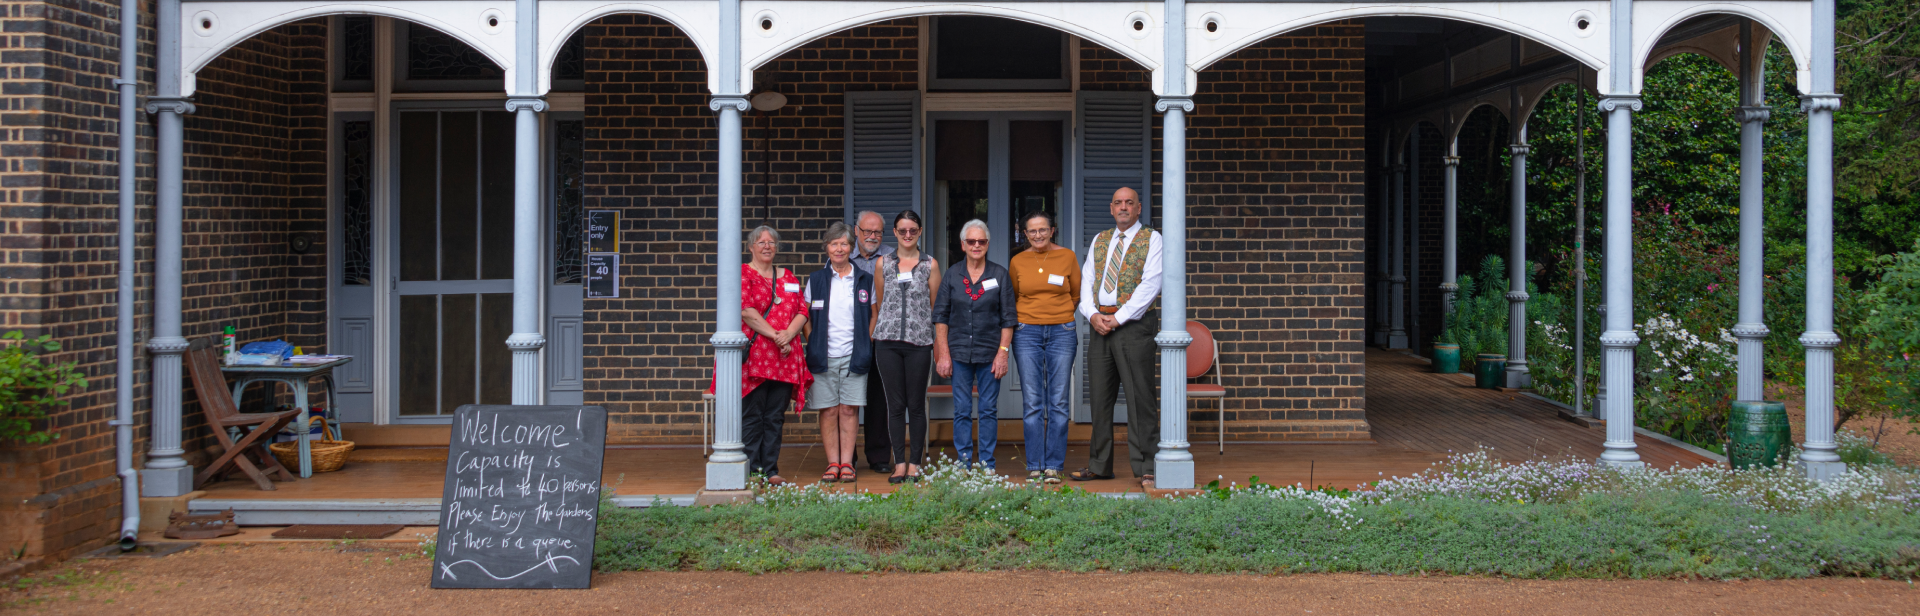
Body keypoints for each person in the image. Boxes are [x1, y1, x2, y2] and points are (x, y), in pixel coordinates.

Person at [1071, 187, 1163, 484]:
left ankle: (1146, 466)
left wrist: (1118, 318)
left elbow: (1151, 285)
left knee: (1140, 398)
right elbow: (1088, 280)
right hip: (1100, 325)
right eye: (1118, 203)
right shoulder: (1100, 240)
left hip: (1133, 326)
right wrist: (1092, 314)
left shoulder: (1153, 239)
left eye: (1129, 203)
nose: (1123, 207)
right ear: (1111, 208)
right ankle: (1100, 465)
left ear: (1139, 208)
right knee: (1099, 398)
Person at [724, 225, 811, 486]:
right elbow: (746, 312)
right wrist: (777, 335)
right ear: (750, 247)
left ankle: (770, 470)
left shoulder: (788, 277)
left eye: (771, 242)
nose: (766, 246)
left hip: (784, 358)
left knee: (774, 417)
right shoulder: (743, 274)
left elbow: (802, 311)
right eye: (760, 242)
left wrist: (788, 335)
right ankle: (752, 471)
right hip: (757, 358)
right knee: (753, 416)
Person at [932, 220, 1015, 472]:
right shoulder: (952, 274)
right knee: (962, 410)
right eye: (971, 241)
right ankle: (964, 463)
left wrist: (1003, 354)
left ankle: (987, 463)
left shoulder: (999, 274)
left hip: (990, 352)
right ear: (963, 245)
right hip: (958, 352)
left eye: (981, 241)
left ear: (987, 244)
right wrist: (943, 353)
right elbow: (940, 316)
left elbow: (1008, 318)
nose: (976, 245)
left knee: (988, 410)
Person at [869, 210, 940, 484]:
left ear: (920, 232)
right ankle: (899, 463)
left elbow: (936, 307)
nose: (907, 235)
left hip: (919, 341)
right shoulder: (882, 264)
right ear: (895, 233)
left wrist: (938, 341)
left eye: (913, 230)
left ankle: (914, 464)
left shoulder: (930, 265)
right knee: (895, 405)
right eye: (902, 230)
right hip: (887, 341)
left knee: (916, 405)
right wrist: (874, 331)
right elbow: (879, 301)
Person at [1008, 210, 1079, 484]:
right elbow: (1014, 295)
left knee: (1059, 401)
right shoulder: (1018, 261)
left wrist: (1055, 316)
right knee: (1033, 401)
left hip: (1062, 331)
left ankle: (1054, 465)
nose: (1037, 235)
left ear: (1053, 230)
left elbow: (1076, 295)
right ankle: (1035, 464)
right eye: (1032, 231)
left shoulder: (1068, 257)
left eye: (1042, 230)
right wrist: (1035, 319)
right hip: (1026, 332)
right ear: (1025, 234)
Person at [805, 223, 874, 483]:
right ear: (827, 248)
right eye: (834, 244)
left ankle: (847, 463)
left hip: (854, 354)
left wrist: (866, 342)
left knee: (848, 409)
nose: (839, 248)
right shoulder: (816, 279)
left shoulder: (864, 279)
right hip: (824, 356)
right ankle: (832, 463)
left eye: (844, 243)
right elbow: (806, 315)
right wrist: (813, 341)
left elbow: (874, 314)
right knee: (828, 410)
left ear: (851, 247)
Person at [849, 211, 896, 473]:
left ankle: (879, 457)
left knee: (880, 399)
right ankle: (847, 458)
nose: (872, 236)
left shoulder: (892, 257)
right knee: (849, 400)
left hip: (883, 336)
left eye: (877, 232)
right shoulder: (842, 255)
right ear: (856, 231)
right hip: (850, 337)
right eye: (867, 231)